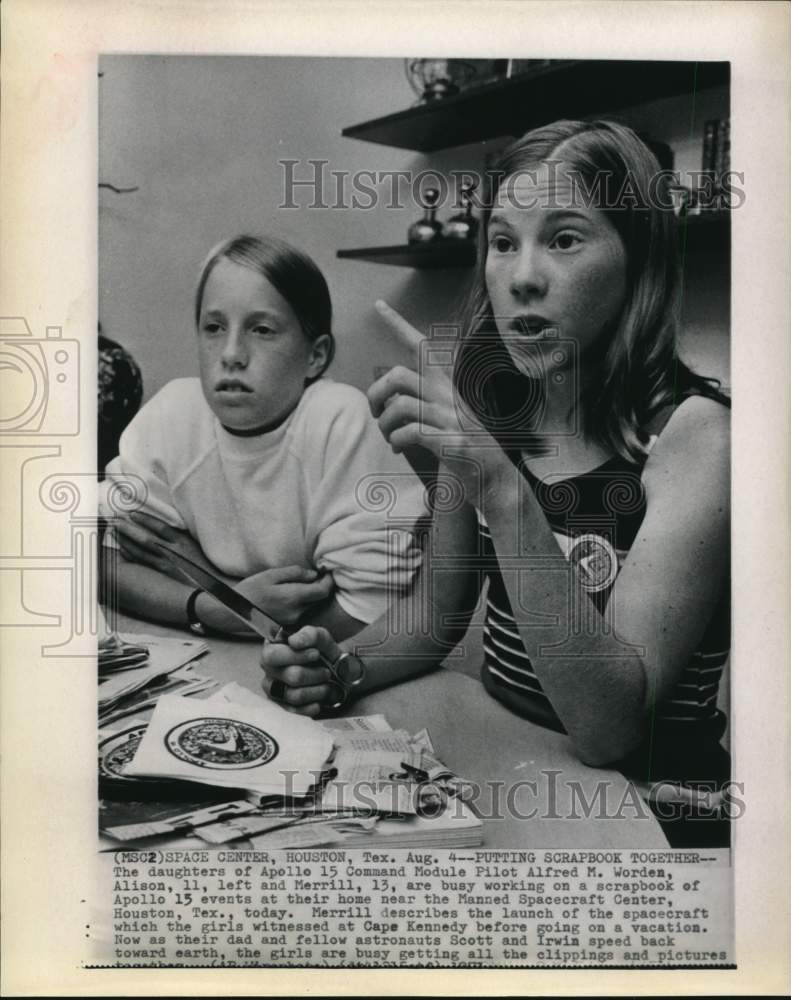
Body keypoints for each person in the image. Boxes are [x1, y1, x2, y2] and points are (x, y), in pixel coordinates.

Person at [261, 121, 731, 845]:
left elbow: (608, 728)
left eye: (564, 239)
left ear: (640, 261)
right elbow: (434, 615)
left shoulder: (695, 436)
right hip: (520, 769)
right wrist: (340, 669)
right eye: (503, 242)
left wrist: (503, 489)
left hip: (652, 816)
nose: (522, 277)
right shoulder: (489, 406)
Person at [100, 234, 426, 641]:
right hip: (217, 650)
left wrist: (220, 595)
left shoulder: (340, 422)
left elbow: (368, 611)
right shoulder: (172, 414)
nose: (231, 353)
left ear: (315, 356)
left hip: (320, 662)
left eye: (262, 329)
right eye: (214, 327)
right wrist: (211, 607)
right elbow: (109, 564)